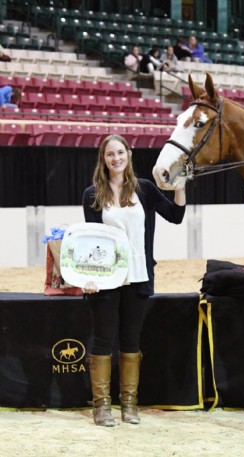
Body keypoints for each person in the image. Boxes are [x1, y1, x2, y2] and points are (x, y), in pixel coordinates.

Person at [82, 134, 186, 427]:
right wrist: (89, 277)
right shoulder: (92, 194)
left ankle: (129, 405)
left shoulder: (146, 189)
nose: (116, 158)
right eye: (110, 154)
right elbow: (92, 241)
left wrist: (180, 187)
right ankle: (102, 407)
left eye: (120, 153)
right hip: (106, 278)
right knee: (103, 339)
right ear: (103, 160)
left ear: (129, 154)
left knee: (131, 340)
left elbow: (175, 216)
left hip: (139, 276)